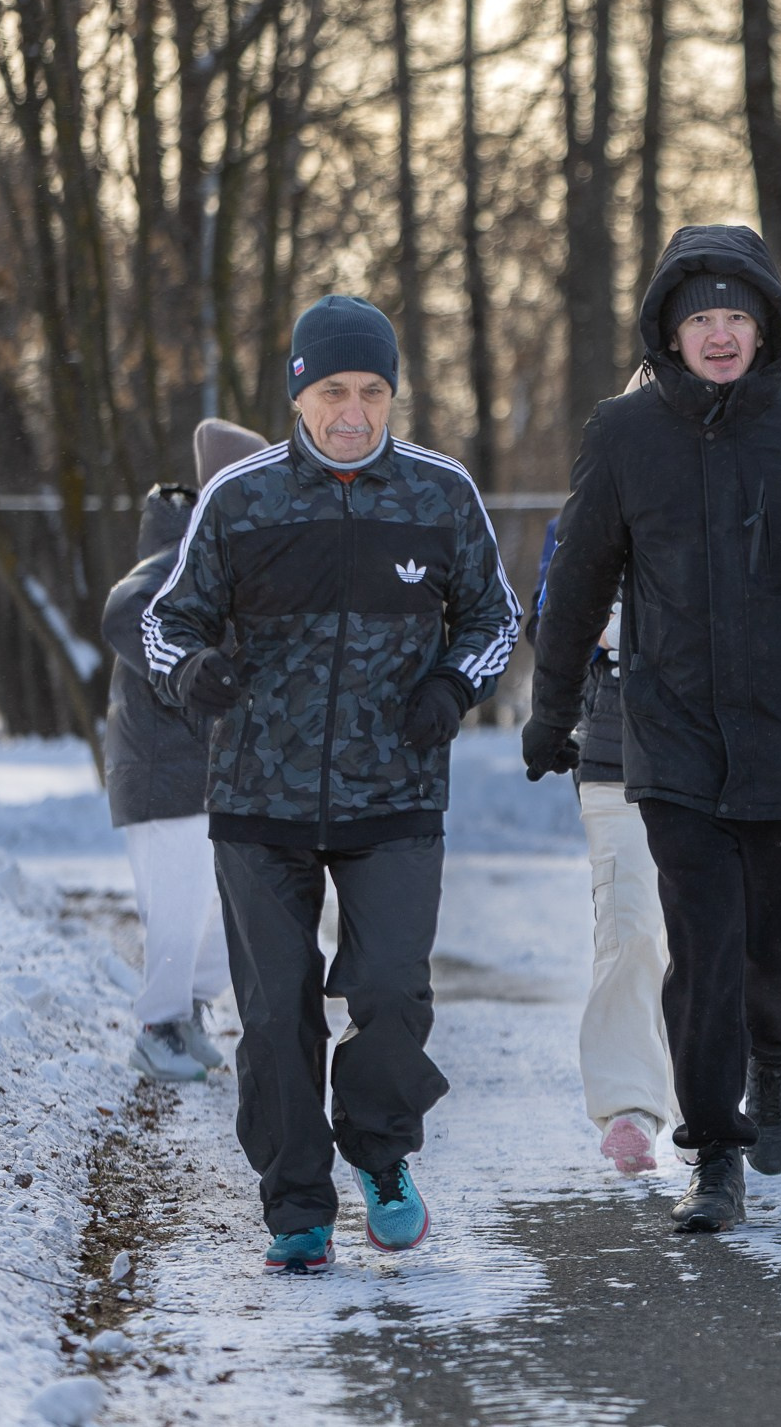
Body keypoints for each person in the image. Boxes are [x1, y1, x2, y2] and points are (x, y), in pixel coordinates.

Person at [523, 225, 781, 1235]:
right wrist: (552, 709)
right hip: (676, 739)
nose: (719, 333)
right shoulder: (624, 434)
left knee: (777, 958)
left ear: (765, 326)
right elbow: (579, 583)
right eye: (700, 316)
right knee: (701, 951)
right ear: (669, 330)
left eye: (737, 315)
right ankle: (712, 1156)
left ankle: (775, 1056)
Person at [144, 297, 521, 1274]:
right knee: (277, 1016)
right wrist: (193, 673)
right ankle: (297, 1205)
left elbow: (497, 616)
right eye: (333, 392)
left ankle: (382, 1157)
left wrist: (452, 685)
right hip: (258, 798)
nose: (353, 413)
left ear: (393, 394)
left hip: (394, 793)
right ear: (298, 396)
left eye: (373, 392)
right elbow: (165, 620)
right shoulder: (243, 498)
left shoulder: (439, 493)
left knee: (391, 992)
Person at [101, 417, 267, 1084]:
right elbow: (126, 610)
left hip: (200, 768)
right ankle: (157, 1028)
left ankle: (187, 1010)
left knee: (220, 906)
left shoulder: (228, 551)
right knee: (177, 906)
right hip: (162, 765)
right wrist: (185, 673)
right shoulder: (181, 551)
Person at [533, 483, 676, 1178]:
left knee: (717, 940)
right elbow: (552, 619)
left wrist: (629, 624)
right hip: (616, 755)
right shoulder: (580, 518)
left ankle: (727, 1100)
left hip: (729, 756)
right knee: (631, 927)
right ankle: (630, 1106)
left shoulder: (737, 496)